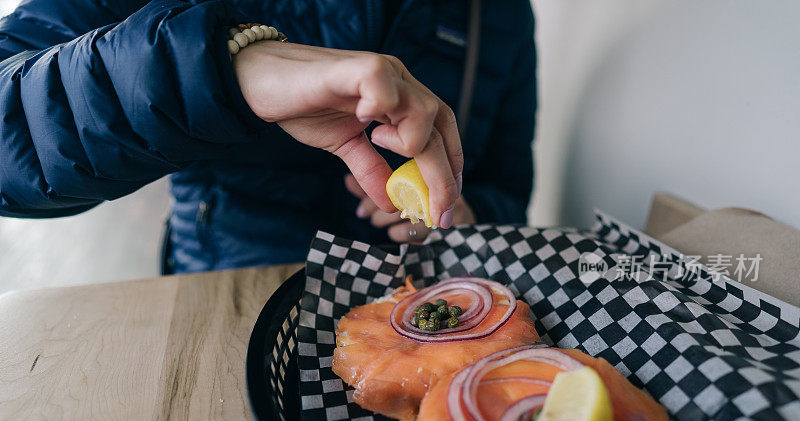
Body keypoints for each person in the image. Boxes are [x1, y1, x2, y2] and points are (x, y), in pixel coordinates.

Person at [0, 0, 537, 273]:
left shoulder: (502, 14)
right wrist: (225, 68)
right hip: (226, 292)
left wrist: (459, 220)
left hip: (404, 306)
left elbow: (508, 194)